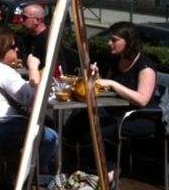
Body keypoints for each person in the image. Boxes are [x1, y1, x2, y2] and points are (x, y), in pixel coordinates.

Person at [64, 21, 157, 184]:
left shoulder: (145, 66)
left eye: (114, 40)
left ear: (128, 42)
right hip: (116, 112)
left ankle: (108, 169)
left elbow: (142, 100)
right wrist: (97, 78)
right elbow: (107, 90)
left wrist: (113, 83)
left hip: (141, 117)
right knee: (77, 121)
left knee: (94, 128)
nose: (109, 43)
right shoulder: (115, 60)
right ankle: (96, 166)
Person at [0, 25, 57, 172]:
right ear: (2, 49)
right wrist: (33, 68)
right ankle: (32, 177)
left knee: (20, 124)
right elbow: (33, 100)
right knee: (51, 137)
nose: (17, 49)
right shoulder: (5, 72)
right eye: (14, 46)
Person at [21, 3, 48, 84]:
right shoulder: (28, 37)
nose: (21, 20)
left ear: (37, 20)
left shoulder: (48, 40)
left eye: (24, 18)